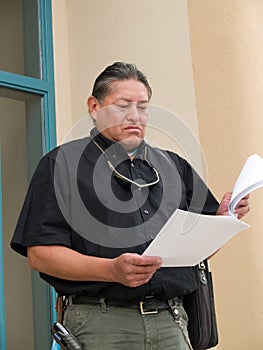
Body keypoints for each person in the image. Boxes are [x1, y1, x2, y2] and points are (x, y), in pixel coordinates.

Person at [11, 62, 250, 350]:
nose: (135, 116)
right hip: (99, 323)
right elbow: (40, 255)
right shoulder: (61, 164)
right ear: (94, 107)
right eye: (123, 105)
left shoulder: (175, 166)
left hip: (171, 321)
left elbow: (196, 251)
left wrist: (222, 221)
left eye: (143, 106)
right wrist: (110, 270)